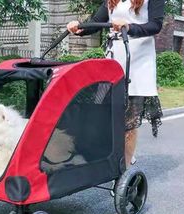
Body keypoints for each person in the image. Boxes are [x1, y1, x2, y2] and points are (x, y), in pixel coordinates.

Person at [67, 0, 165, 167]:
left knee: (128, 122)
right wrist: (79, 27)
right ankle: (111, 155)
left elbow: (155, 25)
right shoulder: (112, 1)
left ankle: (124, 168)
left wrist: (129, 27)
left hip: (139, 61)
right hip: (114, 59)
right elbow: (96, 22)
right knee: (102, 113)